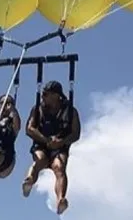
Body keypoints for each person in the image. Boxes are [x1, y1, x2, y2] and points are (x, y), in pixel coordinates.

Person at [21, 80, 81, 215]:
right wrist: (45, 140)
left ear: (56, 95)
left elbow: (75, 133)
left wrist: (61, 142)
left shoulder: (70, 111)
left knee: (59, 167)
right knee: (40, 160)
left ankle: (61, 199)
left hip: (60, 145)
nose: (43, 97)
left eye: (46, 94)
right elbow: (29, 129)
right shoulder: (38, 109)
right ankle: (29, 180)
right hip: (42, 143)